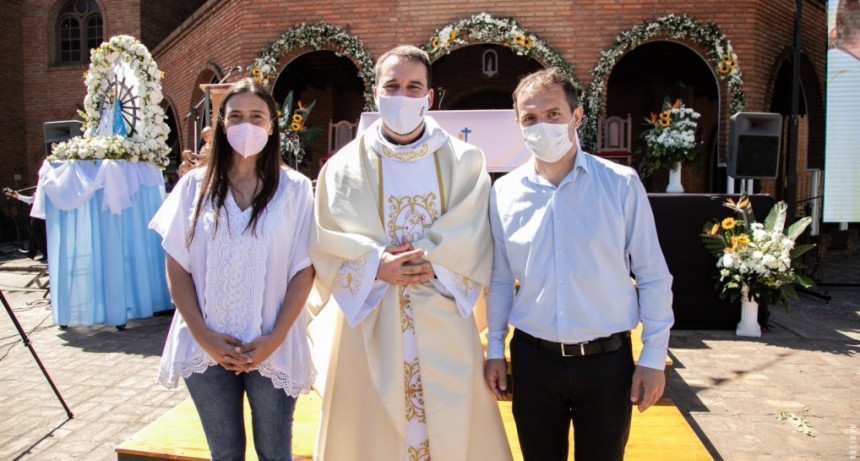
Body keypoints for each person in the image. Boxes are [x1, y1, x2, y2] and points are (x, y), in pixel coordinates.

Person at [310, 45, 512, 461]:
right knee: (370, 435)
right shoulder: (342, 167)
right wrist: (375, 265)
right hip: (371, 315)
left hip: (441, 311)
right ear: (376, 93)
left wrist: (432, 262)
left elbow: (474, 230)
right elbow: (325, 236)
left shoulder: (465, 160)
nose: (402, 96)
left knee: (452, 427)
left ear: (429, 96)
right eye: (392, 86)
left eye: (413, 87)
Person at [484, 68, 674, 461]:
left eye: (553, 114)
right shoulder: (503, 193)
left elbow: (653, 275)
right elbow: (500, 279)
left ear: (577, 116)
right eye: (530, 118)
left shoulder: (620, 184)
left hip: (606, 363)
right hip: (534, 361)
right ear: (518, 124)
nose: (542, 125)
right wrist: (495, 349)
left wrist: (654, 357)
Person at [148, 78, 316, 461]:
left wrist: (274, 338)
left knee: (275, 453)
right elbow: (177, 266)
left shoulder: (295, 190)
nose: (246, 125)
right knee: (224, 454)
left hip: (271, 343)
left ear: (272, 125)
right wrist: (203, 334)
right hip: (205, 342)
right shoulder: (194, 187)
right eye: (236, 116)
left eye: (257, 117)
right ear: (222, 124)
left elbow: (304, 271)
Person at [3, 187, 47, 261]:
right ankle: (32, 252)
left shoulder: (45, 188)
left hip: (42, 215)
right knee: (35, 234)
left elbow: (32, 200)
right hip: (39, 214)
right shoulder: (41, 188)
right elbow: (32, 199)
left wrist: (19, 196)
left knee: (38, 235)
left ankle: (43, 253)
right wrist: (18, 196)